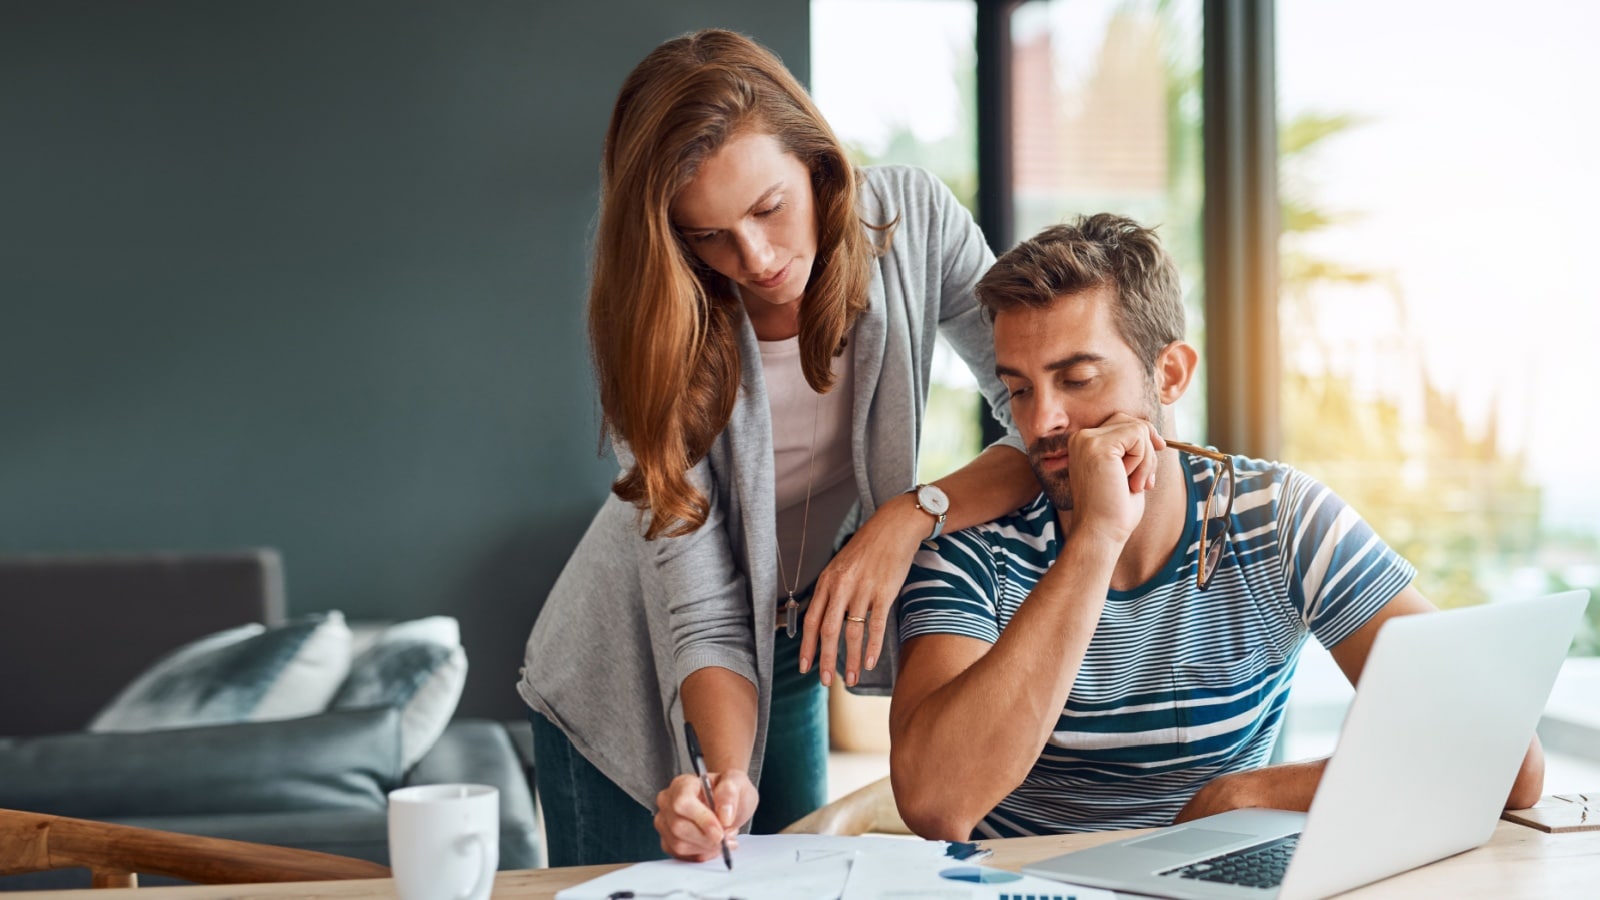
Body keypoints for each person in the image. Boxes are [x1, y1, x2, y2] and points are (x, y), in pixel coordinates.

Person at [516, 29, 1038, 866]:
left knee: (794, 882)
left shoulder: (913, 225)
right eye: (707, 236)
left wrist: (913, 515)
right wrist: (721, 779)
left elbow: (1038, 415)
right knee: (711, 850)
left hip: (790, 641)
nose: (753, 259)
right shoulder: (659, 332)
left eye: (767, 209)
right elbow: (700, 606)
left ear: (817, 165)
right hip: (629, 671)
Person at [887, 213, 1545, 840]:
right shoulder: (972, 546)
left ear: (1169, 375)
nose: (1041, 422)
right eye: (1020, 390)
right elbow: (935, 804)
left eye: (1078, 379)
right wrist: (1097, 539)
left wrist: (1249, 794)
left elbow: (1506, 760)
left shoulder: (1278, 518)